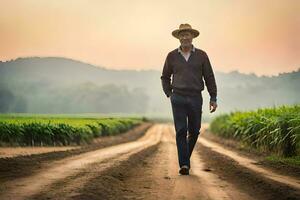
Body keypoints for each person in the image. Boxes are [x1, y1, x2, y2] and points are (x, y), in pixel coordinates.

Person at [161, 23, 218, 175]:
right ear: (178, 38)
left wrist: (213, 97)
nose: (185, 37)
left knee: (194, 130)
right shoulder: (171, 56)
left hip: (195, 97)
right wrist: (169, 93)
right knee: (181, 130)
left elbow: (209, 76)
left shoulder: (202, 55)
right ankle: (184, 164)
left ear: (192, 37)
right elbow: (165, 77)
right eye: (182, 34)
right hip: (178, 97)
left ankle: (184, 158)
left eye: (188, 34)